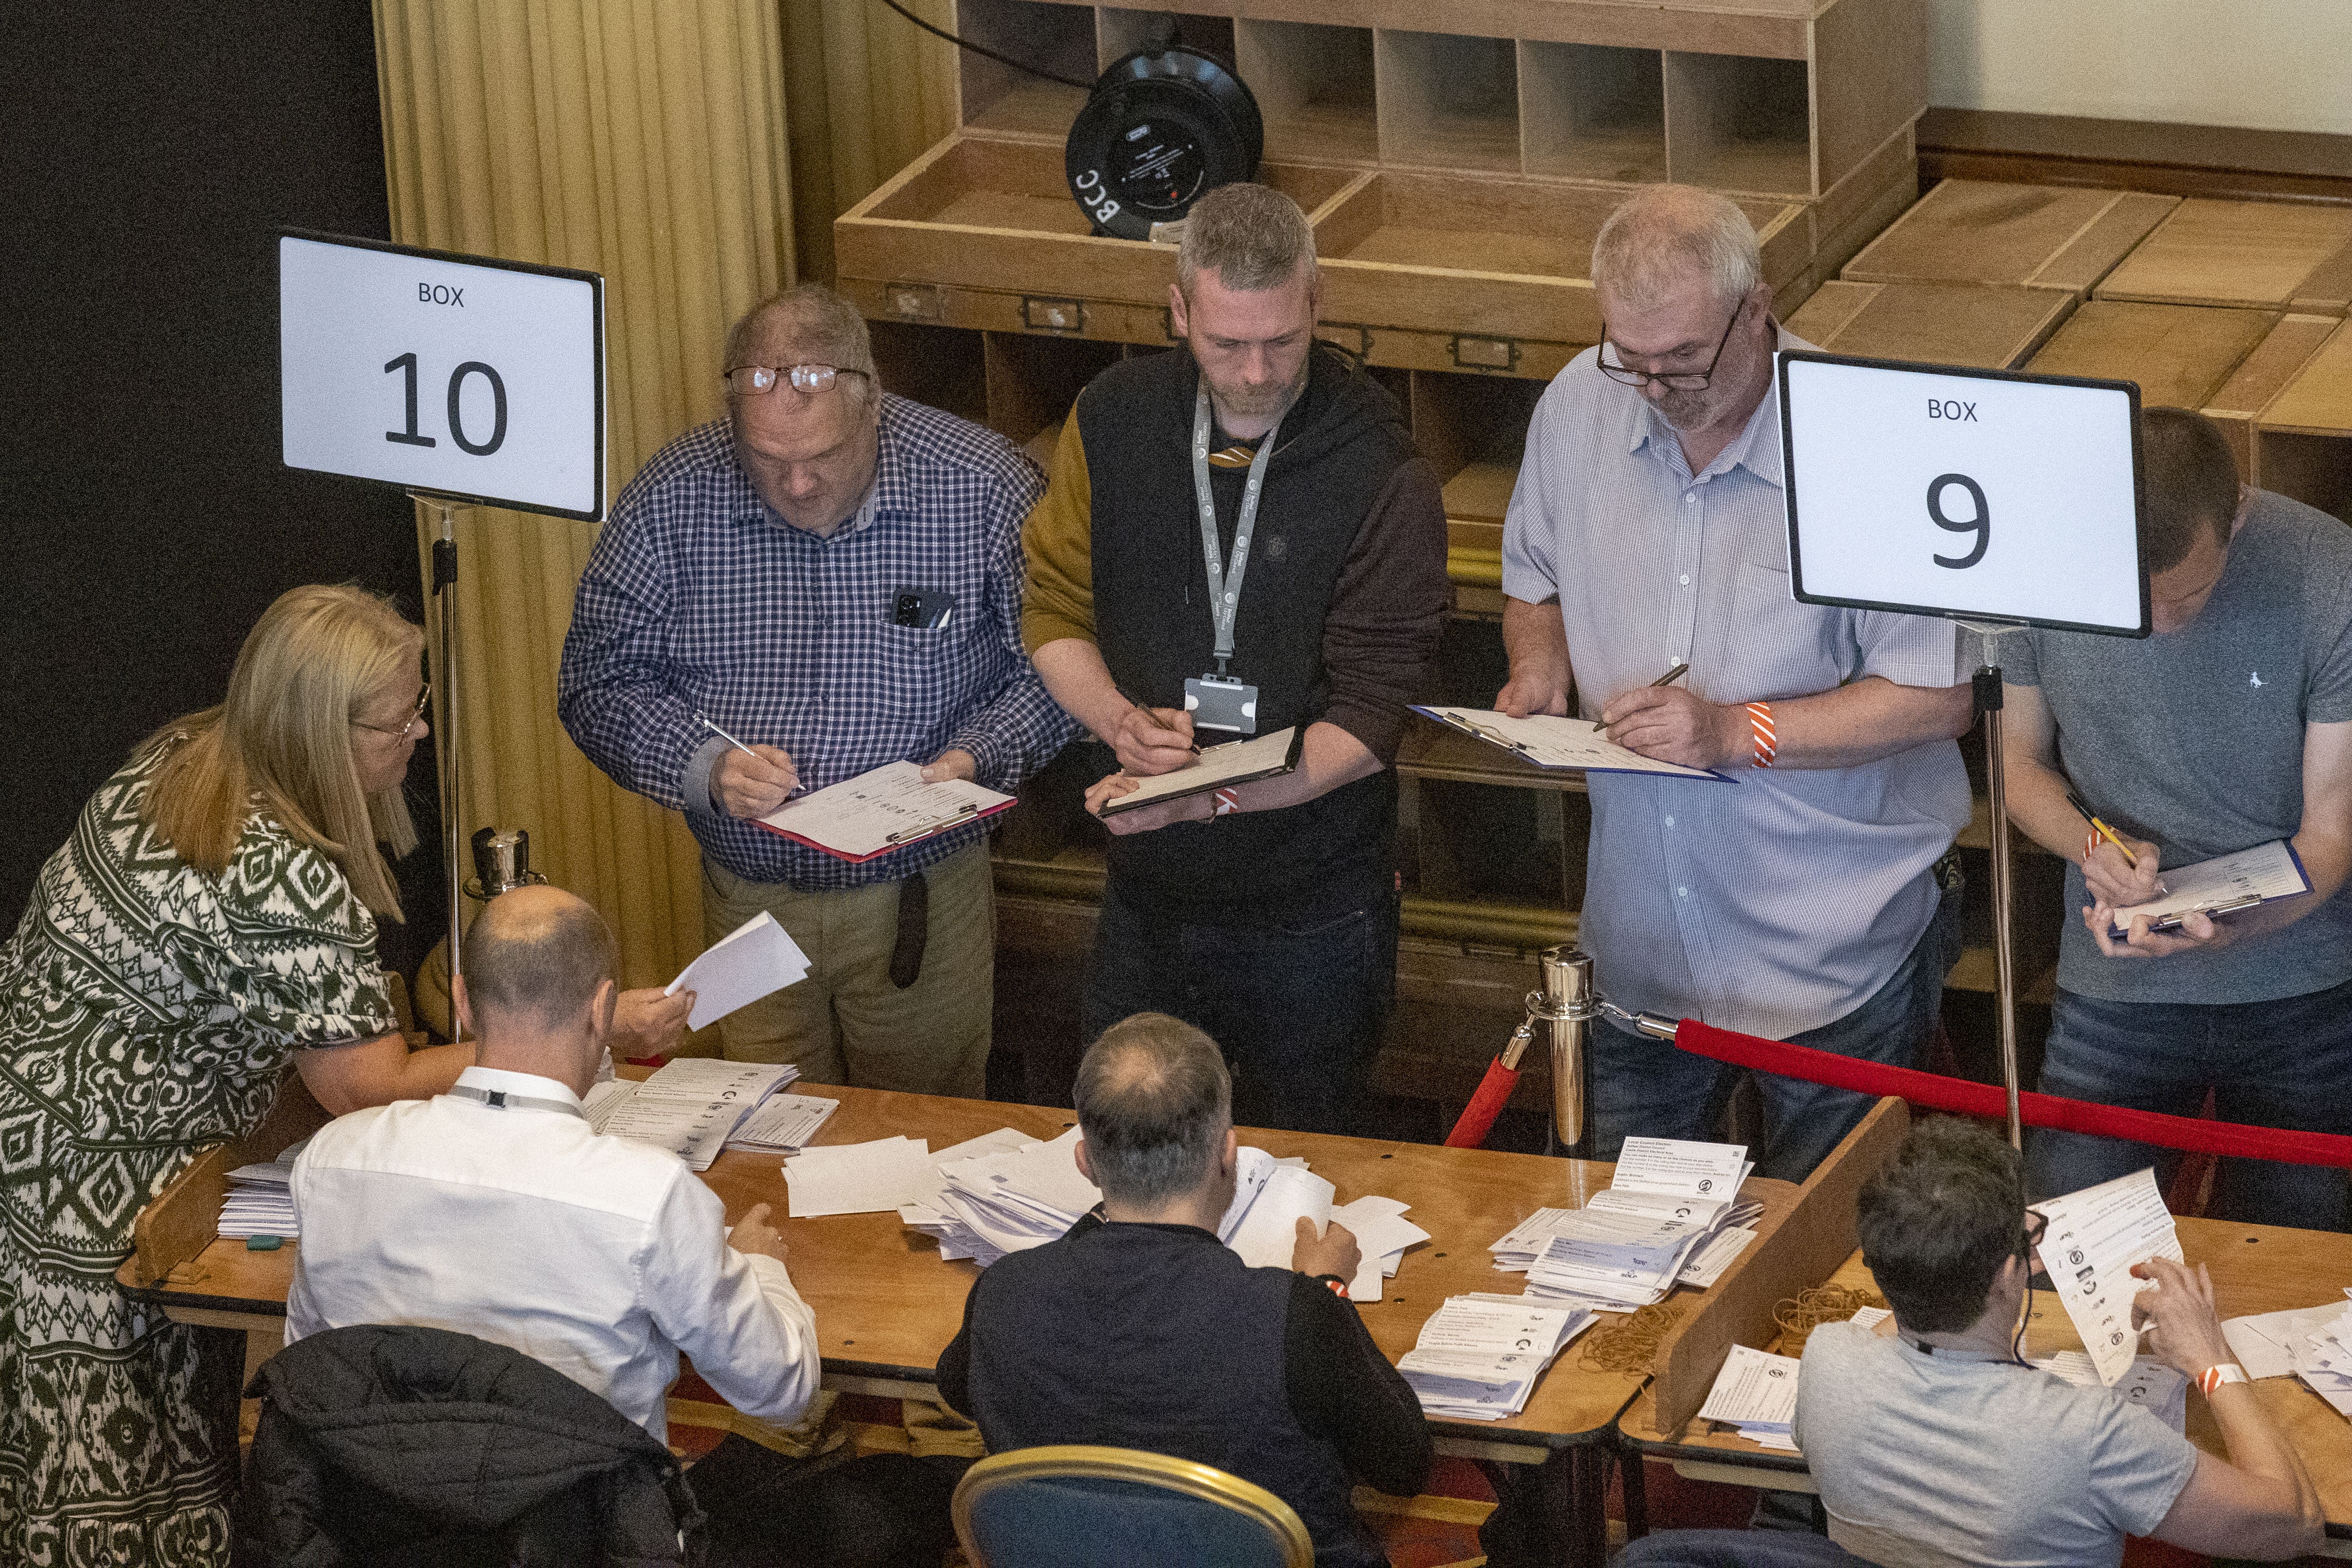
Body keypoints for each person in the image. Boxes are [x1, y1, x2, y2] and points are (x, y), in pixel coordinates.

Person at [1497, 184, 1973, 1180]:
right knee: (1616, 1259)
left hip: (1830, 950)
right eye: (1632, 359)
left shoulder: (1866, 444)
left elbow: (1935, 694)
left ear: (1755, 308)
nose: (1658, 388)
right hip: (1637, 952)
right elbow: (1531, 577)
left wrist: (1732, 731)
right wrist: (1535, 665)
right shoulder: (1580, 405)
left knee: (1828, 1273)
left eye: (1683, 360)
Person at [0, 584, 477, 1566]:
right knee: (113, 1502)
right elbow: (365, 1084)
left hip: (37, 1144)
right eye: (401, 716)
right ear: (323, 729)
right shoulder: (278, 872)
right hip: (88, 1207)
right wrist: (527, 1042)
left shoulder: (186, 758)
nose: (420, 731)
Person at [287, 886, 951, 1567]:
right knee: (886, 1503)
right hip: (593, 1542)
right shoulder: (647, 1194)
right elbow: (780, 1390)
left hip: (376, 1537)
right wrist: (759, 1264)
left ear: (460, 998)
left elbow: (311, 1372)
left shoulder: (333, 1159)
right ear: (603, 1008)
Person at [560, 283, 1075, 1096]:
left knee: (925, 1133)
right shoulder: (671, 497)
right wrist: (704, 768)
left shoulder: (981, 487)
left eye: (822, 459)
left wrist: (977, 756)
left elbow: (1055, 666)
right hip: (751, 904)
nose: (797, 485)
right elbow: (596, 679)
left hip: (921, 903)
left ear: (875, 408)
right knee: (768, 1132)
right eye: (768, 461)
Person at [1021, 182, 1448, 1134]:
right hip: (1147, 900)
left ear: (1316, 301)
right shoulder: (1111, 418)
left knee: (1303, 1161)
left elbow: (1371, 716)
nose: (1256, 371)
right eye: (1225, 343)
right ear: (1176, 311)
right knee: (1132, 1159)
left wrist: (1206, 795)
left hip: (1313, 906)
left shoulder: (1381, 463)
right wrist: (1115, 720)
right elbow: (1051, 606)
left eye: (1281, 341)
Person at [2000, 407, 2352, 1229]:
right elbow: (2016, 763)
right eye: (2134, 602)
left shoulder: (2326, 572)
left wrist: (2234, 925)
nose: (2160, 622)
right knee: (2070, 1252)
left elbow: (2332, 829)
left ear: (2237, 514)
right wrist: (2097, 849)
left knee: (2289, 1269)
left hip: (2297, 983)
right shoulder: (2033, 562)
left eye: (2188, 595)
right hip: (2113, 980)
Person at [937, 1012, 1432, 1568]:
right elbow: (1405, 1465)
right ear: (1228, 1154)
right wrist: (1330, 1288)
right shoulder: (1298, 1313)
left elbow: (959, 1388)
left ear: (1084, 1162)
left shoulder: (1004, 1290)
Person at [1782, 1117, 2321, 1567]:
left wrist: (1970, 1257)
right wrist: (2210, 1355)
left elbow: (1913, 1312)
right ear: (2006, 1276)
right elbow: (2294, 1523)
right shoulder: (2090, 1431)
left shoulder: (1827, 1356)